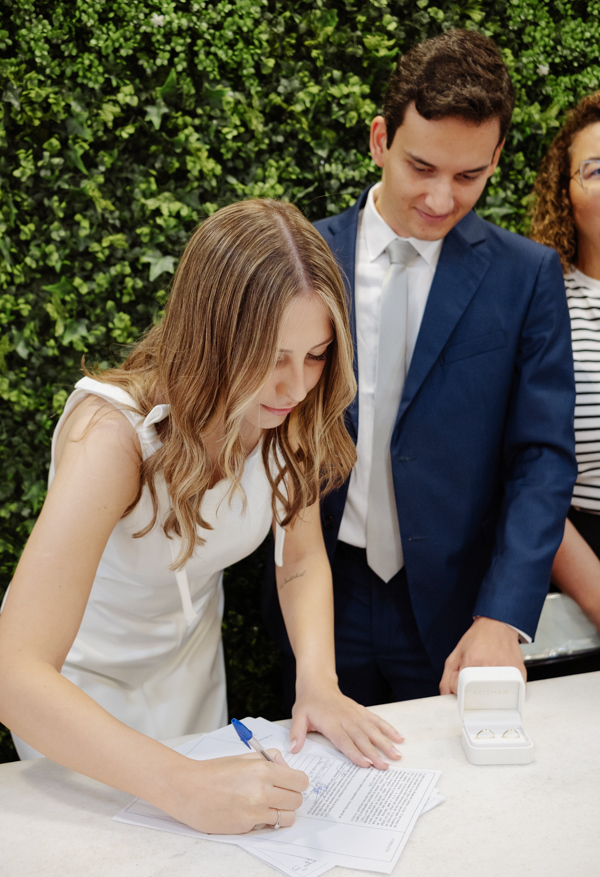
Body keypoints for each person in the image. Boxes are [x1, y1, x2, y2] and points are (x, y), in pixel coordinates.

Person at [0, 199, 403, 836]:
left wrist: (319, 682)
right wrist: (181, 784)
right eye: (271, 356)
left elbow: (299, 560)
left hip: (192, 674)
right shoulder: (112, 437)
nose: (296, 388)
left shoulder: (289, 414)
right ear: (209, 335)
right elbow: (14, 674)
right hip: (77, 694)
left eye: (316, 354)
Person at [264, 30, 577, 710]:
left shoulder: (526, 277)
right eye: (422, 167)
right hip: (319, 589)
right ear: (380, 140)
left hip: (463, 606)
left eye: (469, 177)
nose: (440, 199)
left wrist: (502, 613)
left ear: (497, 159)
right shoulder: (302, 258)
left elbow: (543, 459)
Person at [531, 92, 600, 632]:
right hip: (578, 564)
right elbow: (526, 473)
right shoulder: (540, 300)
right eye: (596, 170)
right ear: (565, 192)